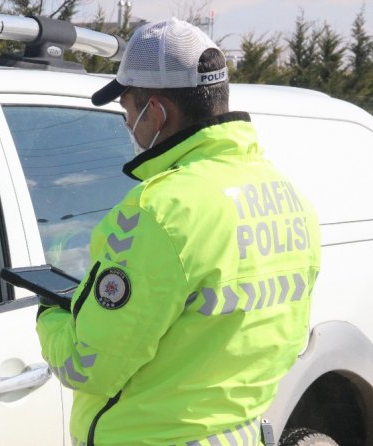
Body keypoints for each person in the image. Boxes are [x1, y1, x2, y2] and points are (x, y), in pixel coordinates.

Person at [36, 18, 321, 445]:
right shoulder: (290, 197)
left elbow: (87, 365)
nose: (127, 122)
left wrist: (50, 316)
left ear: (156, 111)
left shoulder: (157, 212)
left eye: (127, 109)